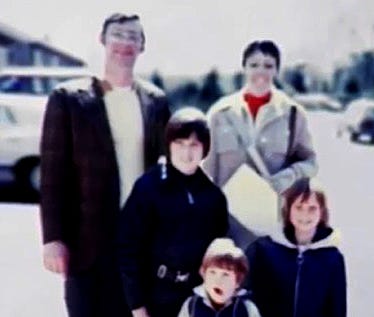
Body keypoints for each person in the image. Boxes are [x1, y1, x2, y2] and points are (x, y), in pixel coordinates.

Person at [39, 13, 170, 317]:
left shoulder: (155, 101)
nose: (125, 43)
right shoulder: (69, 98)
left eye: (134, 37)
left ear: (142, 46)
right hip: (87, 241)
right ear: (103, 40)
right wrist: (53, 238)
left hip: (140, 240)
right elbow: (52, 176)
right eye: (119, 35)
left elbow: (167, 169)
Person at [202, 40, 318, 246]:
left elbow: (311, 164)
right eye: (254, 65)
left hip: (273, 225)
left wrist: (288, 176)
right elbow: (204, 170)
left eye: (268, 65)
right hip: (228, 225)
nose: (261, 72)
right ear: (244, 68)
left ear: (277, 70)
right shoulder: (221, 113)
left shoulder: (292, 113)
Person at [118, 107, 229, 317]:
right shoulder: (149, 187)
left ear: (204, 148)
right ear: (169, 145)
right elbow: (128, 249)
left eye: (194, 145)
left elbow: (218, 250)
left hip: (197, 297)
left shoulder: (213, 196)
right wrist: (137, 305)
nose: (186, 153)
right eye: (179, 144)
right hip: (156, 295)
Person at [246, 179, 347, 317]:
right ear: (288, 210)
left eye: (312, 208)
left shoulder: (332, 258)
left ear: (322, 212)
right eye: (299, 207)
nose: (304, 215)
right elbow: (247, 299)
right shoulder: (263, 250)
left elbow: (337, 309)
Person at [178, 238, 261, 317]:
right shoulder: (191, 305)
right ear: (204, 275)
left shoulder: (246, 308)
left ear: (237, 281)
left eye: (225, 275)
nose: (218, 281)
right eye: (212, 273)